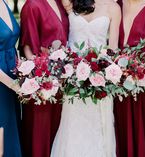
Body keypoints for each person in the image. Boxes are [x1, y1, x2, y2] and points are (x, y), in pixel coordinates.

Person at [50, 0, 121, 156]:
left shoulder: (113, 7)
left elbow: (113, 48)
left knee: (98, 126)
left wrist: (106, 71)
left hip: (100, 77)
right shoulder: (71, 2)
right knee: (72, 125)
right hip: (72, 77)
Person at [114, 0, 145, 156]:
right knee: (120, 128)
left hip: (142, 84)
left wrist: (137, 73)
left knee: (142, 129)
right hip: (117, 83)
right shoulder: (117, 5)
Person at [20, 0, 69, 156]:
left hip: (61, 79)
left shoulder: (60, 3)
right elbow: (28, 48)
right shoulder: (32, 5)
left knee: (56, 133)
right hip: (42, 83)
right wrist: (42, 79)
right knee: (39, 133)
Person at [0, 0, 22, 156]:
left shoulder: (4, 2)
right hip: (3, 81)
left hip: (13, 74)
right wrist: (13, 84)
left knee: (11, 127)